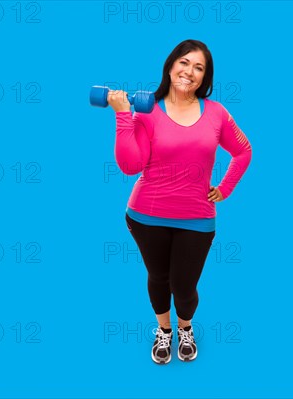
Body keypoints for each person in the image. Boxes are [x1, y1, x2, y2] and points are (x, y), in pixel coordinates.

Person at [107, 39, 252, 364]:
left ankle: (184, 327)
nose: (189, 71)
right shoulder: (147, 110)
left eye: (199, 67)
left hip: (197, 217)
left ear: (205, 78)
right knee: (158, 278)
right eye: (184, 62)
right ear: (171, 65)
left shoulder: (217, 114)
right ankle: (165, 331)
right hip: (147, 215)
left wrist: (225, 188)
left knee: (184, 288)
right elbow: (131, 165)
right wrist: (123, 116)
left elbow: (244, 151)